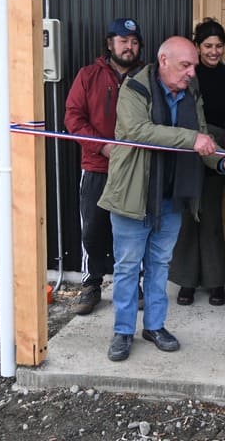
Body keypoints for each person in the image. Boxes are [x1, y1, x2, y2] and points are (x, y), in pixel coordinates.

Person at [97, 36, 225, 362]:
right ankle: (123, 331)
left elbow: (204, 140)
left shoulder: (191, 93)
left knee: (159, 265)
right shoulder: (134, 88)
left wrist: (224, 161)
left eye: (193, 66)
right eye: (186, 65)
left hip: (172, 197)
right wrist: (192, 139)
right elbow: (139, 131)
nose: (192, 72)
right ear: (164, 61)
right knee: (127, 268)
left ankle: (154, 326)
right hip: (134, 196)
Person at [64, 17, 143, 315]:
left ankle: (133, 283)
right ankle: (91, 283)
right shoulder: (88, 75)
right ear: (110, 44)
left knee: (132, 230)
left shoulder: (147, 77)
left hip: (134, 169)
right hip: (97, 165)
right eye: (123, 41)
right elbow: (73, 118)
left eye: (134, 42)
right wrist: (103, 146)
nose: (129, 47)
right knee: (93, 229)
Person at [169, 18, 225, 307]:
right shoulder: (187, 75)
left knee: (212, 219)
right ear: (198, 47)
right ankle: (186, 282)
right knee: (188, 218)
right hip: (189, 153)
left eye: (219, 45)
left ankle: (215, 282)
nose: (214, 51)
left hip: (220, 154)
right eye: (208, 46)